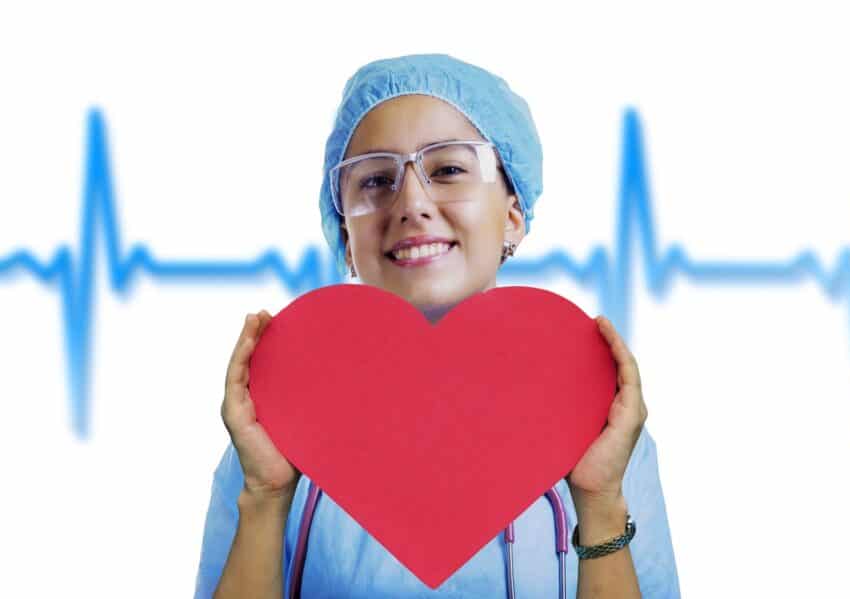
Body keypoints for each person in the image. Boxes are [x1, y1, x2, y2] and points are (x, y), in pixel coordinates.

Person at [194, 53, 681, 598]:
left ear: (512, 214)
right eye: (376, 180)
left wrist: (600, 505)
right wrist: (265, 497)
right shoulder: (278, 426)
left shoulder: (600, 423)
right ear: (346, 237)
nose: (412, 203)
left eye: (448, 170)